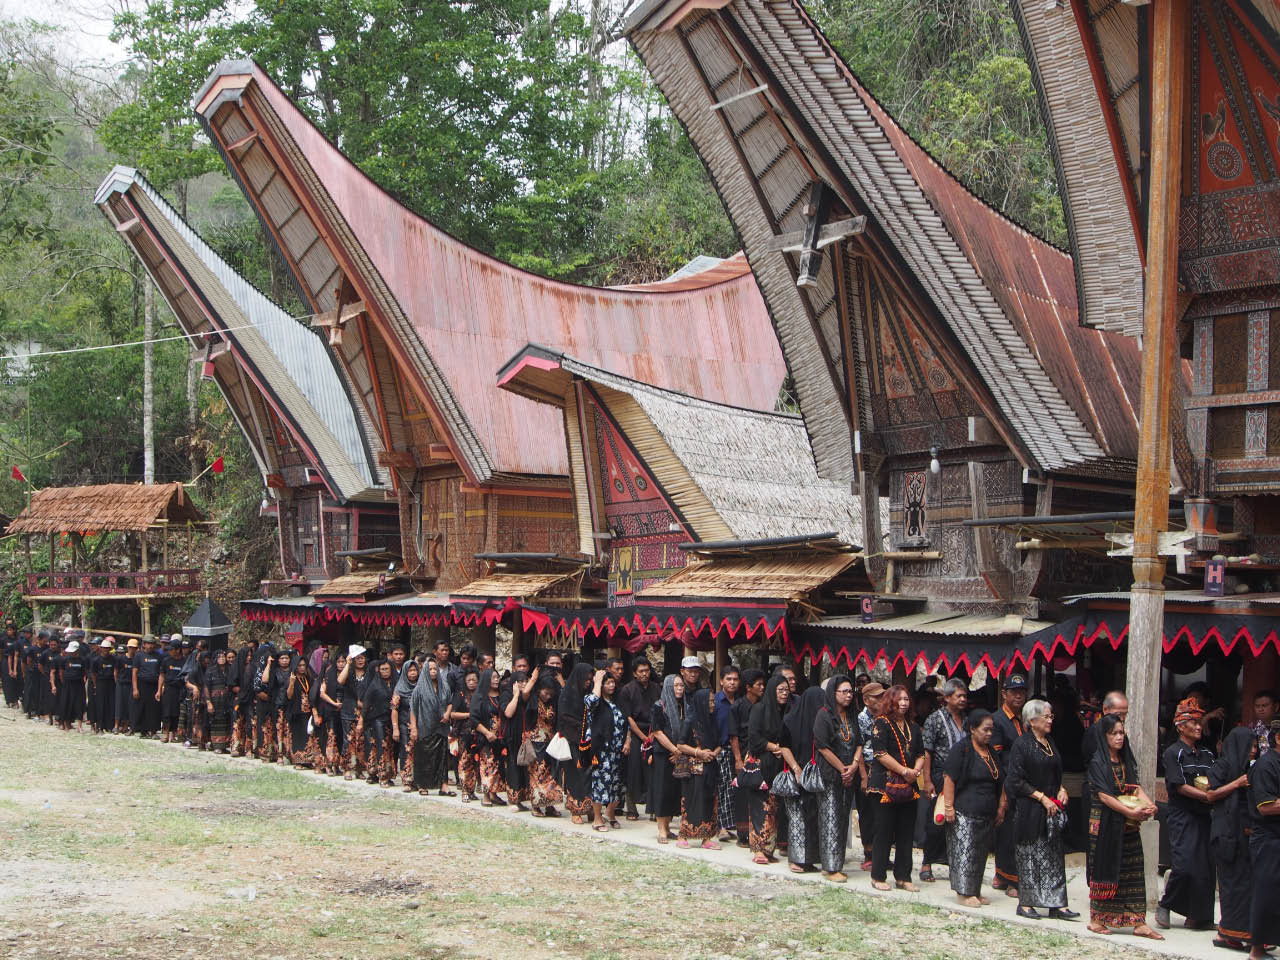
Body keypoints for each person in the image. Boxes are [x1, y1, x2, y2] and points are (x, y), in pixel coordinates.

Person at [1085, 715, 1161, 938]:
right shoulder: (1098, 762)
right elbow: (1105, 796)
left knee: (1133, 869)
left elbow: (1134, 787)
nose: (1119, 737)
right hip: (1105, 824)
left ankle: (1138, 921)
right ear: (1104, 736)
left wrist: (1149, 806)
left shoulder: (1125, 759)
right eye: (1114, 734)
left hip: (1127, 823)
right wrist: (1131, 812)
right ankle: (1098, 918)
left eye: (1121, 733)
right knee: (1107, 867)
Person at [1005, 699, 1076, 920]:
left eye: (1051, 716)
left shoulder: (1050, 742)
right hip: (1030, 809)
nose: (1050, 720)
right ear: (1032, 720)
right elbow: (1015, 781)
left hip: (1051, 809)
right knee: (1030, 855)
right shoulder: (1022, 744)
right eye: (1046, 716)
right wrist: (1042, 797)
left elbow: (1054, 773)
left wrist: (1062, 788)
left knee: (1053, 856)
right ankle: (1026, 903)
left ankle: (1057, 903)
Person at [1156, 696, 1217, 931]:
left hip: (1205, 815)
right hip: (1183, 814)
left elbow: (1215, 779)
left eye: (1201, 722)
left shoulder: (1207, 755)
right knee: (1184, 865)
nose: (1200, 726)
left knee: (1206, 868)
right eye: (1195, 722)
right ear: (1181, 726)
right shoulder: (1173, 753)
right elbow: (1179, 785)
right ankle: (1166, 903)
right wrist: (1206, 796)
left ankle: (1199, 917)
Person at [941, 709, 1005, 906]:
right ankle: (963, 893)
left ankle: (975, 890)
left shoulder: (991, 752)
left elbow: (1001, 780)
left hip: (986, 811)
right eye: (985, 730)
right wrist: (949, 807)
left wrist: (1001, 807)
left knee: (980, 853)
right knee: (964, 851)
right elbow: (949, 778)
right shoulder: (962, 749)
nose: (988, 734)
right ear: (972, 729)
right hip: (964, 811)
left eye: (991, 731)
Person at [869, 684, 924, 892]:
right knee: (883, 830)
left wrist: (915, 771)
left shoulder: (914, 727)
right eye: (899, 699)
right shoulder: (881, 723)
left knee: (906, 831)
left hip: (909, 785)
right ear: (890, 701)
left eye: (906, 699)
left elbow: (921, 754)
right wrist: (903, 770)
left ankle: (903, 876)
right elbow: (880, 753)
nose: (903, 703)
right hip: (885, 785)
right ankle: (878, 875)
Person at [1208, 726, 1256, 950]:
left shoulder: (1250, 767)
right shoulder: (1223, 765)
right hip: (1225, 833)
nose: (1254, 751)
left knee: (1245, 885)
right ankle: (1229, 934)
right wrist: (1236, 784)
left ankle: (1241, 932)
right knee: (1232, 885)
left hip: (1243, 834)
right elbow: (1211, 794)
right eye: (1251, 746)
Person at [747, 674, 801, 864]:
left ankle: (769, 848)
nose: (785, 694)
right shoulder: (759, 709)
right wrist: (773, 747)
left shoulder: (786, 712)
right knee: (761, 807)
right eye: (780, 690)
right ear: (772, 691)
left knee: (774, 808)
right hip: (762, 763)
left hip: (779, 766)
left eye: (787, 690)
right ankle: (758, 849)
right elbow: (753, 737)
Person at [814, 674, 862, 883]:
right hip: (831, 774)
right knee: (830, 818)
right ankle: (830, 866)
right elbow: (823, 747)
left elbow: (859, 741)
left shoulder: (852, 716)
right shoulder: (824, 715)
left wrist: (854, 765)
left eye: (851, 691)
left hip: (849, 773)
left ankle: (839, 862)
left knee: (842, 819)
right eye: (844, 691)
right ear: (833, 694)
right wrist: (843, 769)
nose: (848, 695)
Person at [920, 678, 968, 883]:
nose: (963, 699)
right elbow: (928, 752)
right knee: (937, 818)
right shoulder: (935, 719)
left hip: (963, 775)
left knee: (958, 819)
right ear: (947, 698)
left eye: (965, 696)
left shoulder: (967, 719)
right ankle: (927, 862)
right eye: (959, 696)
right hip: (941, 773)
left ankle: (955, 865)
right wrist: (928, 779)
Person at [1080, 690, 1131, 874]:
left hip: (1117, 797)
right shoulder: (1096, 732)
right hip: (1098, 795)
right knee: (1097, 845)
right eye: (1119, 714)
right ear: (1105, 709)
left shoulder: (1121, 735)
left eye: (1125, 714)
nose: (1122, 718)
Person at [990, 673, 1028, 895]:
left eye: (1022, 691)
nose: (1018, 695)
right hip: (1005, 783)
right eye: (1014, 692)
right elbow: (997, 758)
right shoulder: (998, 720)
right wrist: (1004, 789)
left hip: (1019, 783)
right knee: (1006, 831)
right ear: (1004, 694)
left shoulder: (1022, 720)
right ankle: (1008, 877)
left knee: (1014, 831)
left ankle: (1004, 874)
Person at [1247, 721, 1280, 960]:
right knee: (1266, 892)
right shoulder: (1266, 765)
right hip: (1268, 837)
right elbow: (1267, 806)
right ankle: (1257, 950)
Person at [782, 686, 823, 872]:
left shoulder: (821, 723)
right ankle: (796, 859)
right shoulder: (790, 720)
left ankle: (810, 859)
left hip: (815, 778)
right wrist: (797, 769)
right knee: (798, 817)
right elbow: (784, 747)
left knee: (813, 817)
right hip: (797, 773)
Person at [677, 686, 721, 849]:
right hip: (694, 768)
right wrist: (699, 753)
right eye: (709, 701)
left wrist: (713, 753)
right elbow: (681, 745)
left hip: (710, 766)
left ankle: (706, 837)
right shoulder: (690, 721)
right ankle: (684, 834)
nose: (712, 705)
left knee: (709, 801)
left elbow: (719, 744)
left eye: (713, 701)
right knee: (691, 801)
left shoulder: (712, 720)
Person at [584, 668, 627, 832]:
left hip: (617, 750)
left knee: (616, 784)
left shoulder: (616, 702)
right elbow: (592, 701)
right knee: (600, 783)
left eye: (612, 682)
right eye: (607, 683)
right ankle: (597, 818)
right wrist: (597, 682)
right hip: (601, 750)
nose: (611, 685)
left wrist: (627, 740)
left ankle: (611, 813)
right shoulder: (594, 701)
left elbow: (625, 722)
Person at [618, 656, 658, 822]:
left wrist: (652, 734)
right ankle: (631, 808)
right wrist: (642, 737)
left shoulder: (656, 688)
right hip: (634, 733)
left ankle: (654, 810)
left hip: (654, 731)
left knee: (653, 771)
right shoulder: (627, 690)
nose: (644, 674)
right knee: (633, 770)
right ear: (635, 673)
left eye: (647, 670)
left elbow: (658, 712)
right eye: (641, 671)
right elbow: (628, 717)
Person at [556, 663, 595, 823]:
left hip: (587, 740)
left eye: (590, 679)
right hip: (572, 739)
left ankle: (589, 808)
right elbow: (564, 716)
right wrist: (581, 725)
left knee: (588, 774)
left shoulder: (588, 694)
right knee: (575, 775)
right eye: (586, 679)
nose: (588, 682)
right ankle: (575, 810)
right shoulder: (567, 694)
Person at [730, 668, 765, 846]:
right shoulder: (738, 706)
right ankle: (743, 834)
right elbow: (734, 735)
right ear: (749, 687)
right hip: (743, 754)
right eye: (758, 684)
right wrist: (737, 758)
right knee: (743, 794)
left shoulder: (764, 705)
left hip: (760, 755)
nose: (762, 687)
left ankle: (759, 831)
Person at [648, 674, 685, 843]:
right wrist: (674, 749)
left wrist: (680, 751)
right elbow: (657, 731)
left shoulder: (683, 705)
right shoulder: (659, 706)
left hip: (678, 754)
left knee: (673, 791)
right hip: (664, 754)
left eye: (681, 685)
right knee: (662, 790)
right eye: (676, 685)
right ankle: (661, 828)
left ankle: (669, 826)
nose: (679, 689)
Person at [408, 657, 451, 796]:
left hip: (441, 726)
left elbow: (450, 702)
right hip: (425, 727)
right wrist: (414, 728)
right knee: (424, 757)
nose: (433, 671)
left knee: (442, 757)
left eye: (435, 669)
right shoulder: (419, 689)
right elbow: (413, 709)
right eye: (430, 669)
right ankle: (422, 784)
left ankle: (443, 785)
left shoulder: (444, 685)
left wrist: (447, 713)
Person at [855, 681, 886, 870]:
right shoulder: (861, 719)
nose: (881, 699)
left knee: (881, 812)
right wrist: (864, 776)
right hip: (865, 767)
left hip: (882, 768)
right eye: (877, 697)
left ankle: (881, 852)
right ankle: (868, 852)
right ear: (866, 700)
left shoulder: (884, 717)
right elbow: (857, 748)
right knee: (866, 812)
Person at [522, 672, 562, 816]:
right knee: (537, 774)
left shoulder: (553, 702)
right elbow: (525, 692)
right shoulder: (532, 700)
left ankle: (550, 805)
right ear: (539, 690)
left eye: (551, 694)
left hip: (550, 742)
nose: (548, 696)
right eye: (545, 693)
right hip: (534, 741)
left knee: (551, 774)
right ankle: (536, 805)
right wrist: (533, 678)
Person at [470, 667, 509, 806]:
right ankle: (486, 795)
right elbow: (474, 719)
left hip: (500, 738)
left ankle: (494, 793)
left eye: (497, 677)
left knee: (498, 766)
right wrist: (487, 733)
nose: (496, 680)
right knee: (487, 765)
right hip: (485, 737)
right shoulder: (479, 696)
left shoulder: (501, 695)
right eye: (493, 677)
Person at [448, 667, 480, 801]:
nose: (471, 682)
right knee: (464, 762)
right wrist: (469, 715)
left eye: (474, 680)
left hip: (478, 733)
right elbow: (452, 713)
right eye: (469, 680)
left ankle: (472, 790)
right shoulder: (460, 695)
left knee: (475, 763)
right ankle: (465, 790)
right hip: (463, 733)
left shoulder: (481, 695)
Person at [339, 646, 370, 779]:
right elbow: (340, 681)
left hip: (364, 711)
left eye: (362, 657)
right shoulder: (349, 672)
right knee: (349, 740)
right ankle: (347, 768)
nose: (360, 660)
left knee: (362, 741)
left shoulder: (369, 673)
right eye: (357, 658)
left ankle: (360, 768)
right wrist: (348, 664)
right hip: (348, 710)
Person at [318, 651, 347, 774]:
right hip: (330, 710)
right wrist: (334, 703)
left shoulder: (348, 674)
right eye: (339, 662)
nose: (341, 664)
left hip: (344, 711)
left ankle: (338, 765)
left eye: (343, 662)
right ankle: (329, 764)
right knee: (331, 737)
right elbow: (322, 693)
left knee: (341, 738)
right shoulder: (329, 674)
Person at [391, 659, 419, 788]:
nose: (413, 673)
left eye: (415, 670)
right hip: (404, 723)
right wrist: (395, 728)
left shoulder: (422, 686)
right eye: (410, 671)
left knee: (419, 752)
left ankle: (419, 780)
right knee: (406, 751)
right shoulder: (400, 687)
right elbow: (394, 709)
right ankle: (407, 780)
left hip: (420, 724)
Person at [132, 635, 164, 738]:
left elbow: (161, 674)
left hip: (154, 684)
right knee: (142, 707)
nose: (150, 646)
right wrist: (135, 689)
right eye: (148, 643)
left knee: (154, 708)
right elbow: (134, 672)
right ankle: (143, 731)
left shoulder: (158, 656)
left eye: (152, 644)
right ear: (144, 644)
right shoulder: (138, 656)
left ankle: (153, 730)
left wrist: (160, 689)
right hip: (142, 684)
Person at [203, 648, 234, 754]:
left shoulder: (230, 669)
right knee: (216, 722)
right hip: (215, 700)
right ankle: (216, 745)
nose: (221, 659)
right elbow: (206, 687)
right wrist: (208, 702)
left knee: (226, 722)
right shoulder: (211, 670)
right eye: (219, 657)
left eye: (223, 657)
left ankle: (224, 745)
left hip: (227, 700)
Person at [1250, 690, 1276, 755]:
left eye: (1264, 705)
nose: (1260, 709)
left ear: (1276, 707)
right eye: (1257, 706)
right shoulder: (1253, 728)